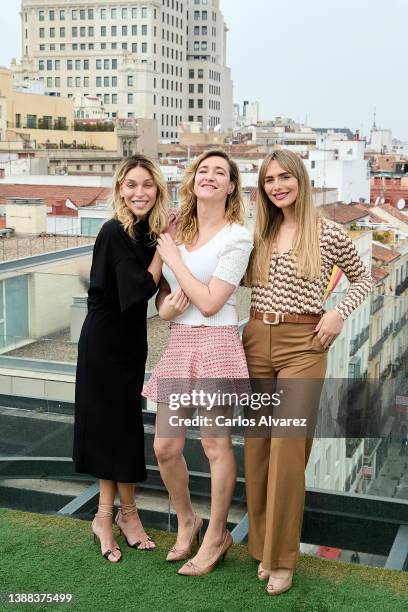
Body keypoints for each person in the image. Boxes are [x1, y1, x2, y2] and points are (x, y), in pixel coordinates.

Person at [243, 150, 372, 595]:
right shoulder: (258, 232)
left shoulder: (330, 232)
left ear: (300, 179)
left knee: (288, 451)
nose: (277, 185)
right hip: (256, 341)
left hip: (306, 344)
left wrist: (338, 314)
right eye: (269, 180)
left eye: (284, 177)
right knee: (257, 450)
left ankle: (283, 559)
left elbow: (364, 279)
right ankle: (261, 548)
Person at [143, 150, 253, 576]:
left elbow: (209, 303)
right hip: (179, 343)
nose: (209, 176)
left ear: (230, 187)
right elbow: (163, 303)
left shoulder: (237, 237)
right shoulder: (176, 229)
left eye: (219, 172)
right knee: (165, 446)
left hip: (217, 345)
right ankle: (188, 521)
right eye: (202, 170)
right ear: (192, 181)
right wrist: (167, 309)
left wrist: (173, 259)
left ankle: (217, 535)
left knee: (213, 444)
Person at [73, 154, 168, 562]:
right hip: (104, 343)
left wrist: (166, 240)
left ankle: (110, 515)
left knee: (123, 428)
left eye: (147, 184)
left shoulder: (148, 233)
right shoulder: (114, 231)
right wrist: (168, 247)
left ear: (158, 189)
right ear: (119, 190)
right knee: (116, 429)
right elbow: (139, 288)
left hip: (131, 344)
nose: (139, 192)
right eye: (131, 185)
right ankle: (120, 516)